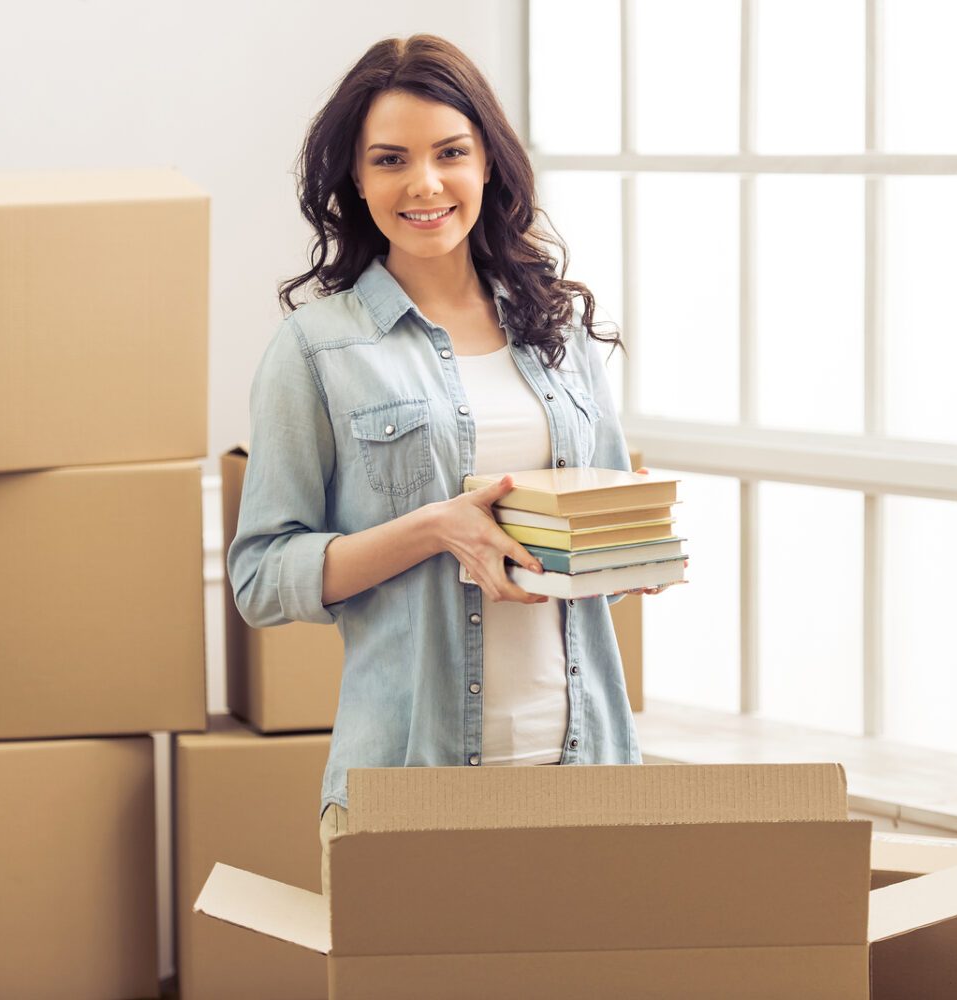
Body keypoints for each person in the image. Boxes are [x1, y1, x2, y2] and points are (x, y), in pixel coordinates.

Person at [226, 34, 673, 900]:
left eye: (450, 154)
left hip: (587, 770)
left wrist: (627, 556)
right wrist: (434, 528)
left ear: (488, 165)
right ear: (356, 180)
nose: (424, 185)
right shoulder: (318, 349)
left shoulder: (559, 333)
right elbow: (258, 575)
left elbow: (604, 546)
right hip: (409, 780)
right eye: (390, 160)